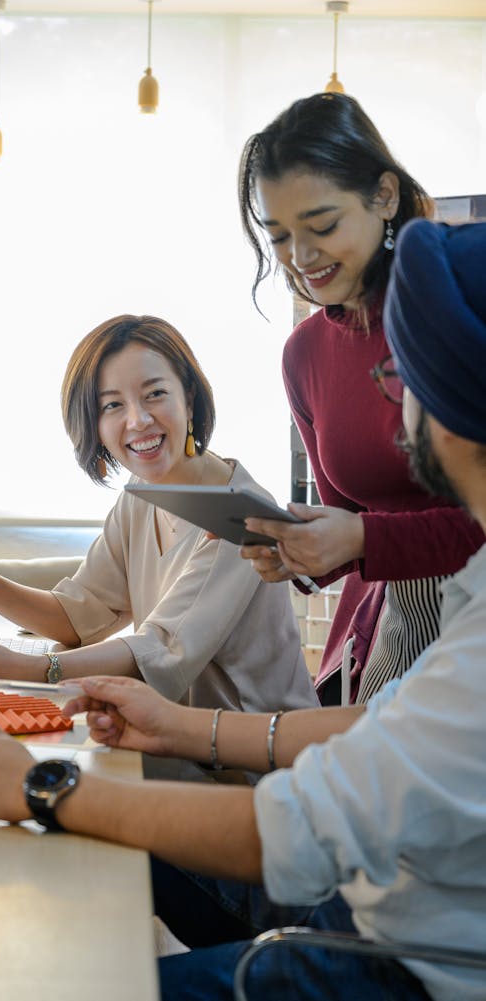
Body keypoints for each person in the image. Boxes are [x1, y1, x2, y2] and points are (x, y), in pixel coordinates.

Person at [0, 218, 486, 1001]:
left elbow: (295, 823)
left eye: (401, 375)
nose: (386, 399)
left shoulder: (235, 507)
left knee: (63, 948)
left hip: (373, 933)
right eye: (112, 405)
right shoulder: (474, 590)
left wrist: (39, 778)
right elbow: (387, 723)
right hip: (340, 876)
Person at [0, 315, 317, 731]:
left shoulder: (240, 518)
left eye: (155, 394)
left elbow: (157, 650)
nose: (138, 420)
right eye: (113, 405)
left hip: (257, 758)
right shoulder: (143, 493)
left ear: (190, 397)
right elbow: (77, 618)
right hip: (185, 743)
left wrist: (22, 668)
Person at [236, 92, 484, 704]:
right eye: (279, 237)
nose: (301, 258)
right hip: (396, 630)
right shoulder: (304, 354)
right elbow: (351, 522)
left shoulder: (455, 302)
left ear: (385, 196)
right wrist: (305, 551)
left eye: (322, 226)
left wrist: (363, 541)